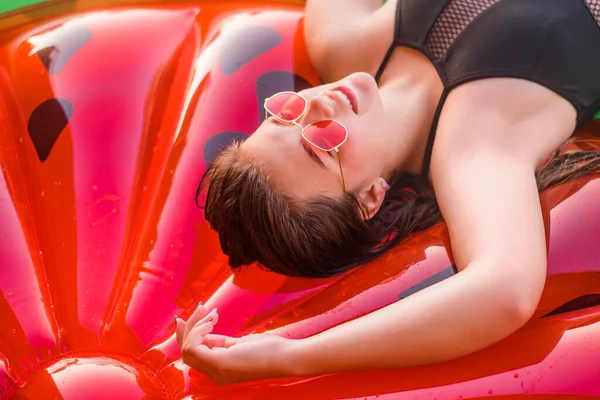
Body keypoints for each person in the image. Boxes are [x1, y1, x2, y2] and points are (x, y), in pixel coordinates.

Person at [176, 0, 600, 385]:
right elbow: (504, 290)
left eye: (287, 113)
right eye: (322, 143)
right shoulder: (475, 148)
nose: (319, 105)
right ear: (370, 198)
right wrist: (294, 355)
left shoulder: (337, 42)